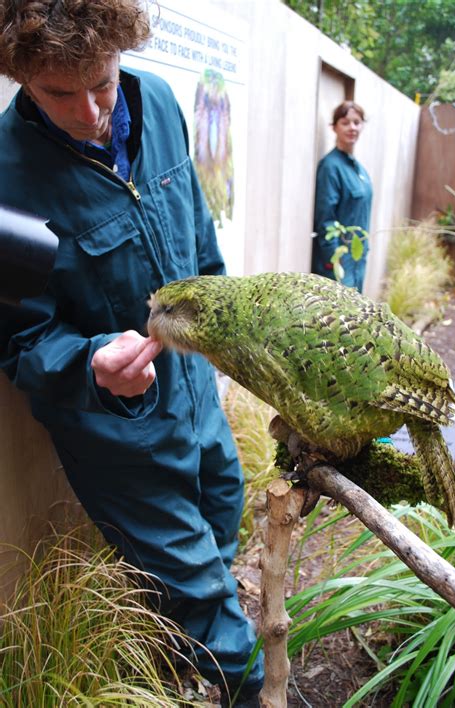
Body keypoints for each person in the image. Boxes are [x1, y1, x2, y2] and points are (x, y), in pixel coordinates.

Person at [0, 0, 263, 703]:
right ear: (19, 75)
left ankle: (179, 653)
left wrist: (228, 337)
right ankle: (247, 687)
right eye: (60, 93)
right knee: (206, 591)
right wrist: (88, 365)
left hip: (197, 393)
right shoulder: (7, 182)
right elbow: (21, 343)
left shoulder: (164, 103)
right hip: (117, 434)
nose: (90, 112)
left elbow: (200, 241)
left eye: (103, 83)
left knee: (223, 512)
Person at [311, 100, 373, 293]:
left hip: (358, 258)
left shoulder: (358, 169)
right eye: (345, 122)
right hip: (339, 262)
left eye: (357, 122)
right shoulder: (331, 167)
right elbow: (325, 221)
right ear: (334, 127)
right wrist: (334, 263)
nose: (352, 127)